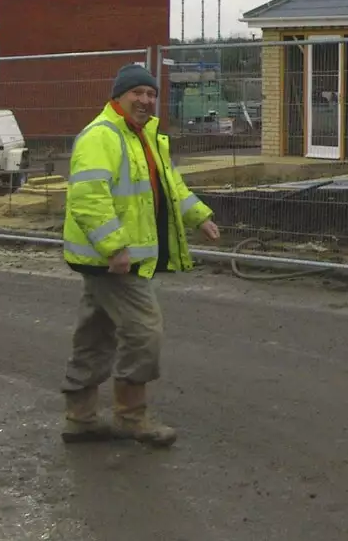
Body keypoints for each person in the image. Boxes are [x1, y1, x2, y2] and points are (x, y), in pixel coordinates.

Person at [59, 63, 220, 447]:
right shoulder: (102, 136)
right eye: (138, 93)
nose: (146, 100)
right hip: (115, 260)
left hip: (111, 259)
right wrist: (114, 246)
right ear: (118, 97)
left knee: (95, 336)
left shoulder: (145, 136)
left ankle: (80, 418)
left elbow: (171, 186)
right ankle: (131, 416)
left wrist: (199, 216)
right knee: (145, 333)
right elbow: (88, 196)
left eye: (151, 94)